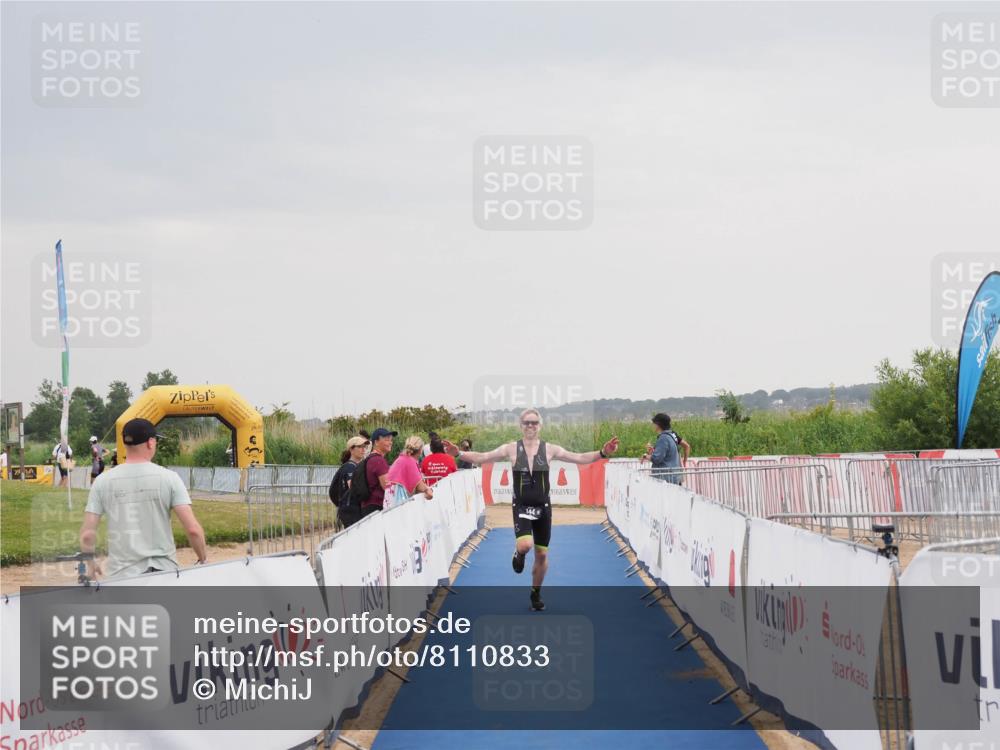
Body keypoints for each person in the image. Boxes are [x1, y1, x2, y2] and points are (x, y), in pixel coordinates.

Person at [443, 408, 619, 611]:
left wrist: (603, 452)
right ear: (521, 425)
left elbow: (579, 458)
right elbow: (483, 457)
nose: (530, 425)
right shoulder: (511, 449)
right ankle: (518, 554)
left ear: (540, 425)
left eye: (534, 422)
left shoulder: (550, 449)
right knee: (526, 545)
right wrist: (460, 454)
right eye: (527, 422)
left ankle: (535, 593)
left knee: (542, 555)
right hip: (522, 506)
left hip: (544, 508)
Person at [78, 418, 207, 580]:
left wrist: (90, 564)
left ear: (125, 443)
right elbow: (193, 530)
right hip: (164, 573)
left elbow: (87, 535)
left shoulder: (102, 481)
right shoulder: (170, 478)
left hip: (122, 575)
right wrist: (203, 558)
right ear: (151, 443)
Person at [329, 435, 369, 528]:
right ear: (351, 449)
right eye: (359, 447)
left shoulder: (356, 466)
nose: (363, 449)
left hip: (351, 510)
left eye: (364, 447)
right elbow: (353, 487)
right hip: (351, 511)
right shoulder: (350, 467)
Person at [385, 436, 434, 508]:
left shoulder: (401, 458)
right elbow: (420, 485)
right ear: (420, 450)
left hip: (390, 498)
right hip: (397, 500)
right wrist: (428, 490)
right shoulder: (410, 461)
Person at [358, 427, 396, 518]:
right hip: (376, 507)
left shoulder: (370, 458)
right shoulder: (378, 460)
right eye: (387, 439)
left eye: (391, 440)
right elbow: (387, 486)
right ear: (376, 442)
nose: (390, 442)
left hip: (368, 506)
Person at [641, 413, 683, 484]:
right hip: (674, 477)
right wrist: (653, 452)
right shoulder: (671, 436)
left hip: (666, 479)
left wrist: (645, 456)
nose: (653, 426)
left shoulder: (663, 438)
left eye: (654, 424)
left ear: (658, 424)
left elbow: (657, 459)